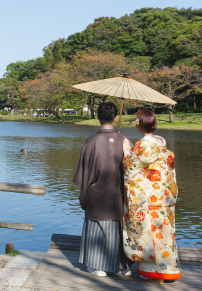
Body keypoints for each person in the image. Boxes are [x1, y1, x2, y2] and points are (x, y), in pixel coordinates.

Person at [73, 101, 133, 277]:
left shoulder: (91, 141)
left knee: (97, 226)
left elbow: (83, 175)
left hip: (98, 197)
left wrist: (84, 195)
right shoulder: (125, 140)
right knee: (120, 230)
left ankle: (99, 266)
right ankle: (123, 266)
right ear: (115, 118)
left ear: (98, 117)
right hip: (119, 197)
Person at [121, 109, 181, 281]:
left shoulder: (143, 146)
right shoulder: (161, 143)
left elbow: (129, 168)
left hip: (149, 198)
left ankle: (152, 271)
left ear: (139, 125)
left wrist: (126, 151)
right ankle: (169, 271)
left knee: (150, 235)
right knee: (166, 235)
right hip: (165, 197)